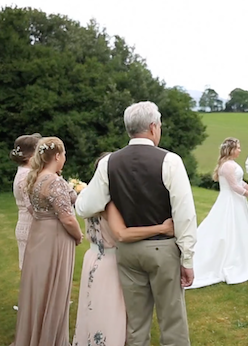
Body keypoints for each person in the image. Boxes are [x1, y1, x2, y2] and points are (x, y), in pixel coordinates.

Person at [75, 101, 197, 346]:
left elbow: (83, 206)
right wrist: (187, 260)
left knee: (136, 323)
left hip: (128, 252)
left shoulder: (110, 163)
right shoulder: (170, 161)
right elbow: (185, 215)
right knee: (172, 321)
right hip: (162, 249)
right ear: (153, 127)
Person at [72, 153, 177, 346]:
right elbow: (121, 234)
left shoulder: (86, 197)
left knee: (95, 310)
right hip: (111, 262)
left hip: (93, 257)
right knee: (114, 314)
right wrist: (162, 228)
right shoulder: (108, 203)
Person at [11, 137, 83, 346]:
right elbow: (67, 217)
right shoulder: (54, 181)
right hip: (55, 238)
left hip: (38, 233)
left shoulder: (34, 178)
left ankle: (34, 335)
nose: (65, 159)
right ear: (57, 156)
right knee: (55, 288)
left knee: (39, 287)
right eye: (64, 154)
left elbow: (33, 209)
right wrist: (78, 235)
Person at [188, 137, 248, 289]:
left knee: (241, 230)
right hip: (229, 201)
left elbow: (242, 183)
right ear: (231, 150)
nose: (240, 150)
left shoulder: (232, 164)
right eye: (238, 148)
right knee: (229, 230)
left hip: (237, 202)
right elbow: (235, 187)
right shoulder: (227, 166)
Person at [9, 133, 42, 271]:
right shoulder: (26, 176)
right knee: (34, 272)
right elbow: (31, 207)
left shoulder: (24, 172)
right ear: (31, 156)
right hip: (30, 226)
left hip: (27, 225)